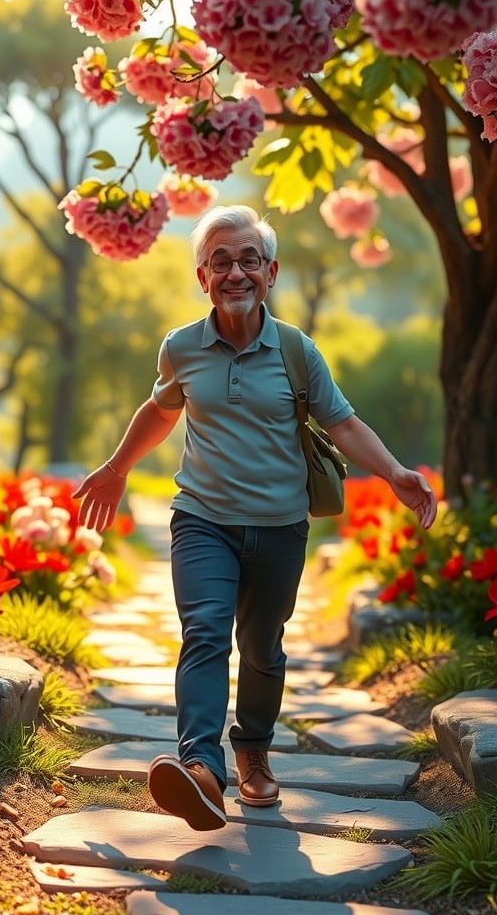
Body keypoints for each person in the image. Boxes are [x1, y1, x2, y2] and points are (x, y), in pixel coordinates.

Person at [72, 204, 437, 832]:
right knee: (205, 632)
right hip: (202, 520)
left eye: (248, 259)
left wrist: (395, 472)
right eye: (220, 261)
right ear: (202, 277)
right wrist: (116, 466)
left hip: (280, 527)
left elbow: (342, 423)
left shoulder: (296, 351)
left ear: (270, 272)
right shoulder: (181, 347)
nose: (235, 272)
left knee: (263, 648)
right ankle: (201, 770)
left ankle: (254, 751)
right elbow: (160, 411)